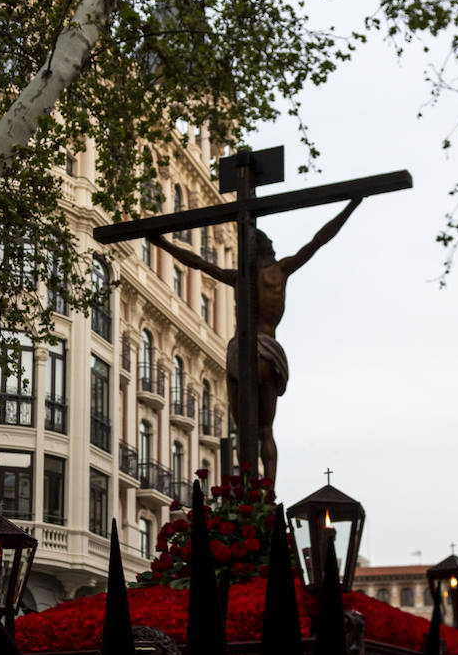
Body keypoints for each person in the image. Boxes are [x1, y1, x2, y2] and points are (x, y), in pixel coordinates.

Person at [147, 197, 363, 482]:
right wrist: (352, 205)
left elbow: (196, 262)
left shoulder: (239, 277)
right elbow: (319, 240)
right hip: (268, 351)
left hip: (240, 350)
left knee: (243, 431)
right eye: (271, 244)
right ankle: (268, 494)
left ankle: (247, 491)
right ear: (267, 249)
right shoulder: (281, 271)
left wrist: (161, 243)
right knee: (265, 431)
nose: (274, 247)